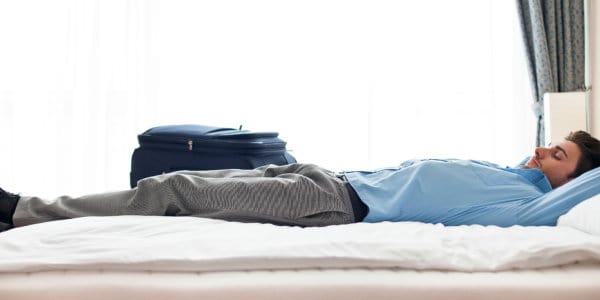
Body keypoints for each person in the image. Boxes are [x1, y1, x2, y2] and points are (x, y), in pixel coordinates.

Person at [1, 131, 599, 230]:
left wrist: (588, 176)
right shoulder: (507, 171)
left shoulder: (525, 208)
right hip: (330, 175)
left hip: (333, 203)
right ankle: (27, 208)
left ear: (572, 181)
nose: (544, 150)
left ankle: (21, 210)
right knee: (185, 179)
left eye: (559, 156)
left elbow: (583, 190)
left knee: (173, 189)